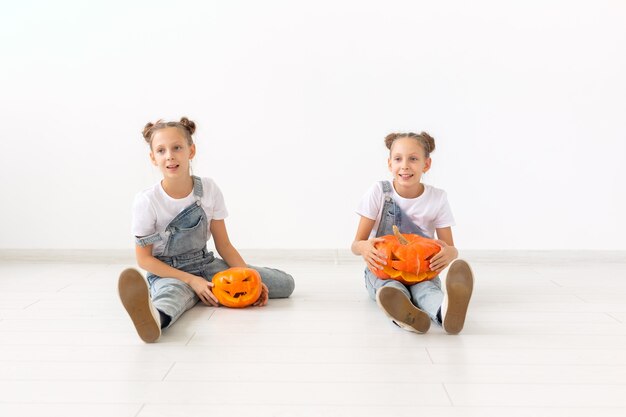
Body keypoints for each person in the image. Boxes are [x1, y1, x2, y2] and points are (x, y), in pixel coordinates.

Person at [118, 117, 295, 343]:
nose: (170, 155)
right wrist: (192, 281)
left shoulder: (208, 189)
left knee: (283, 284)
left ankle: (204, 292)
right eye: (161, 151)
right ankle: (154, 318)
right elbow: (144, 260)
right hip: (169, 271)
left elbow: (224, 245)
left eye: (177, 148)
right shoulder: (147, 201)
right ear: (153, 158)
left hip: (206, 264)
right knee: (173, 296)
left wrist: (249, 278)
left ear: (191, 151)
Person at [351, 132, 473, 334]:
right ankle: (405, 315)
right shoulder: (379, 192)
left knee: (426, 290)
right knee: (390, 287)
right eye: (398, 159)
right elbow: (356, 244)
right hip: (382, 271)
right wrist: (363, 247)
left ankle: (445, 313)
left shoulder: (437, 198)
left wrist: (451, 253)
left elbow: (449, 247)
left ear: (427, 164)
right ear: (389, 164)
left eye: (413, 159)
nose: (405, 165)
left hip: (422, 272)